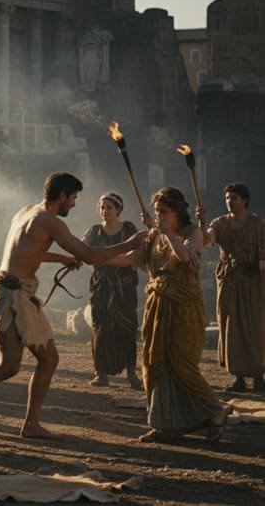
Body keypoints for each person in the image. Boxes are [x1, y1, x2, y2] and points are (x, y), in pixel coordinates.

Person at [0, 172, 147, 439]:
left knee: (37, 360)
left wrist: (61, 258)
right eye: (72, 198)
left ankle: (26, 423)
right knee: (15, 364)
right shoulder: (50, 222)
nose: (73, 204)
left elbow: (27, 250)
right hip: (10, 297)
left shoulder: (27, 211)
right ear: (61, 196)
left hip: (9, 292)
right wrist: (129, 243)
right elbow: (89, 255)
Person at [109, 187, 226, 442]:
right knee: (155, 364)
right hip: (157, 305)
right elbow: (131, 257)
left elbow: (184, 256)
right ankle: (164, 423)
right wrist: (94, 256)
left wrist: (167, 232)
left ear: (177, 212)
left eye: (165, 211)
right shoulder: (154, 235)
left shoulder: (191, 233)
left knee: (181, 364)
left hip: (184, 308)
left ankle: (215, 410)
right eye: (157, 211)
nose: (159, 215)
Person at [197, 183, 265, 392]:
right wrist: (201, 222)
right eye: (227, 197)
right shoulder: (220, 223)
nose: (230, 201)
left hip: (252, 281)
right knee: (231, 327)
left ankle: (259, 376)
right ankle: (239, 378)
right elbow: (207, 239)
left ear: (244, 200)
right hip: (229, 281)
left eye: (234, 197)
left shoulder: (257, 224)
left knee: (255, 327)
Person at [82, 192, 142, 389]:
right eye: (102, 207)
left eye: (109, 207)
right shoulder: (94, 232)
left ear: (118, 209)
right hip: (101, 287)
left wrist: (99, 257)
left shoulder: (129, 230)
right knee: (101, 327)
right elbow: (83, 252)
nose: (105, 211)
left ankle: (132, 374)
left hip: (124, 288)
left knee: (127, 327)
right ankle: (101, 373)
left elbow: (133, 257)